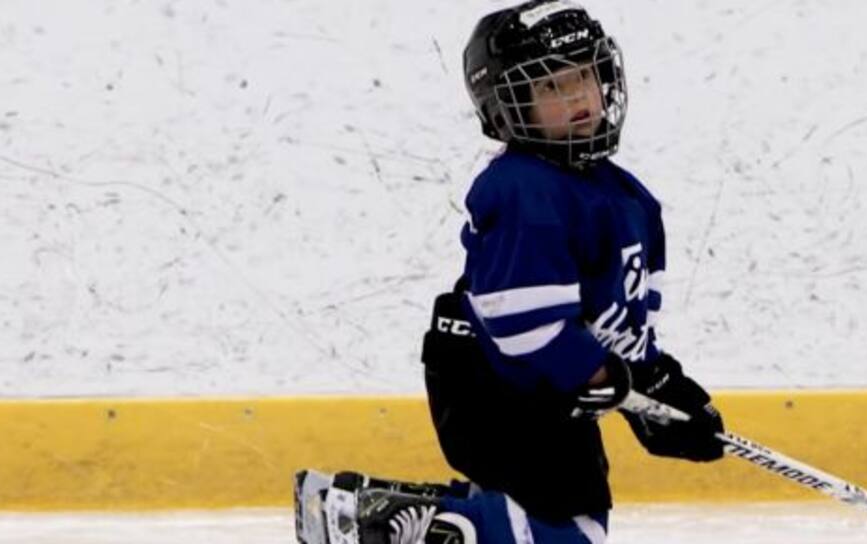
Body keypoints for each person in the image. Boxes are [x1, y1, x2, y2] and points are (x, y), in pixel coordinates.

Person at [295, 2, 724, 543]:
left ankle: (387, 512)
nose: (576, 97)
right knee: (563, 534)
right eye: (549, 86)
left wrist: (659, 392)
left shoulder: (631, 200)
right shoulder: (523, 187)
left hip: (547, 389)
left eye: (584, 76)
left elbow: (624, 326)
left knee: (576, 524)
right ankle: (407, 528)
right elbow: (523, 325)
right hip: (493, 388)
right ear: (505, 105)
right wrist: (604, 379)